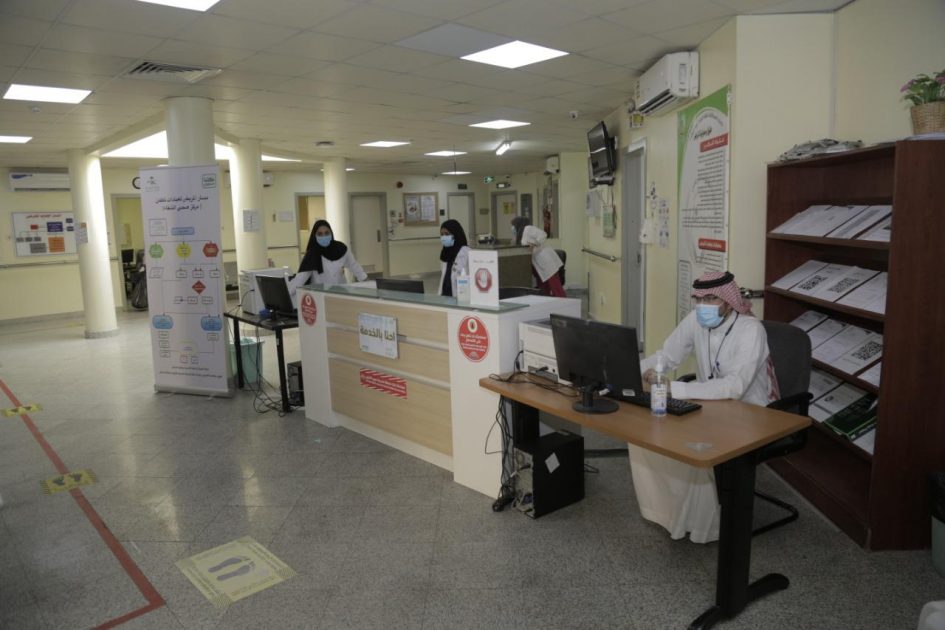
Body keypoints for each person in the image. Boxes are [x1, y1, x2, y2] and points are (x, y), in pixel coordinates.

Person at [629, 270, 779, 544]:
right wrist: (629, 370)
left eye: (711, 299)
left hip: (750, 411)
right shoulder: (696, 320)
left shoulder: (751, 330)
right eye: (699, 299)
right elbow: (667, 356)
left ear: (728, 301)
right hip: (708, 403)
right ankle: (670, 514)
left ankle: (702, 525)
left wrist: (675, 388)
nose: (703, 306)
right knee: (646, 432)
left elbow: (735, 387)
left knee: (687, 442)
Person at [288, 220, 367, 300]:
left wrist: (367, 281)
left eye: (326, 233)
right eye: (320, 234)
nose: (324, 236)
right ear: (315, 236)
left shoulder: (341, 248)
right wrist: (288, 293)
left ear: (331, 233)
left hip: (342, 292)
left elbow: (354, 266)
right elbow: (300, 279)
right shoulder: (312, 254)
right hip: (321, 296)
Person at [520, 225, 566, 298]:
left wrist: (534, 244)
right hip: (538, 263)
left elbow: (543, 234)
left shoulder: (528, 229)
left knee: (555, 286)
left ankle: (564, 302)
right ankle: (548, 303)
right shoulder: (521, 235)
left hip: (546, 259)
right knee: (543, 287)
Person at [438, 219, 470, 297]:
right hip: (445, 296)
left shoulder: (466, 253)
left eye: (447, 234)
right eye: (442, 234)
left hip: (461, 296)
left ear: (455, 234)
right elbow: (444, 278)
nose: (444, 237)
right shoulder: (444, 253)